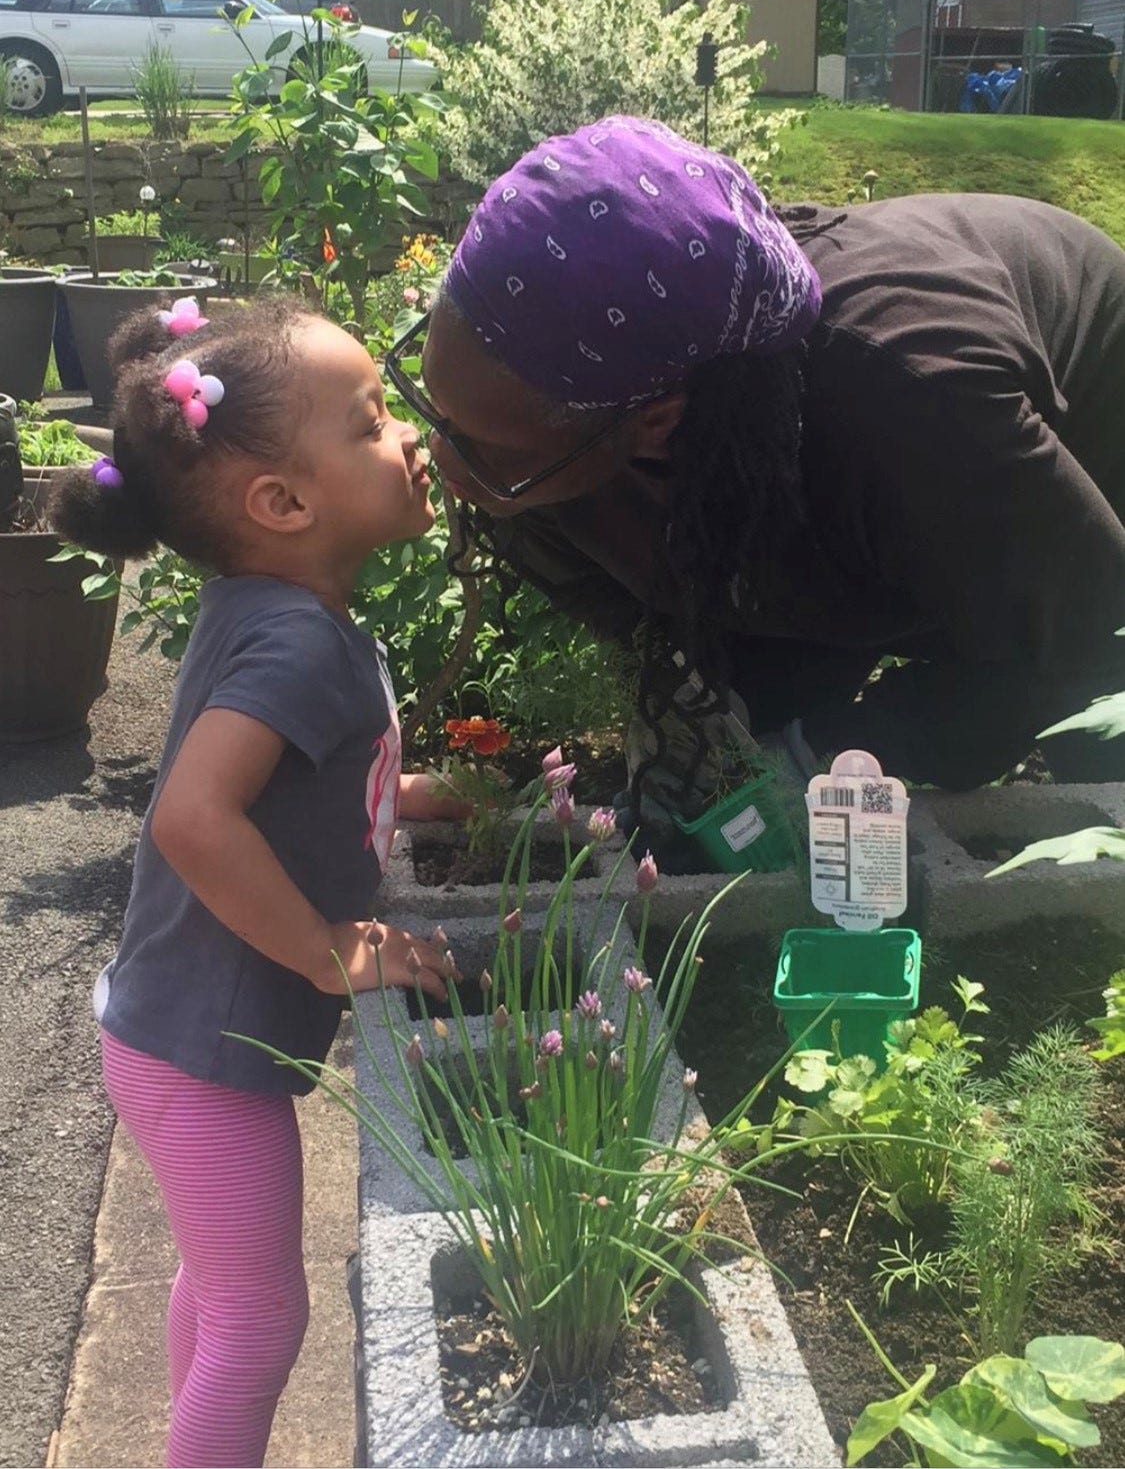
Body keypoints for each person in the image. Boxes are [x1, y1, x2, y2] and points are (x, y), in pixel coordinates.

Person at [381, 113, 1125, 853]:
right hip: (878, 480)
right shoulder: (537, 424)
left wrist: (825, 753)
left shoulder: (912, 395)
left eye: (485, 447)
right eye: (436, 411)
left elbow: (1087, 628)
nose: (443, 460)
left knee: (1093, 745)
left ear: (655, 422)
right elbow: (678, 599)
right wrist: (708, 718)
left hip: (1085, 457)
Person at [52, 295, 457, 1469]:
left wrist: (409, 786)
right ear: (281, 504)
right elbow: (192, 816)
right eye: (373, 422)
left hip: (173, 1029)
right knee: (262, 1316)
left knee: (218, 1288)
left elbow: (298, 766)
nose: (408, 436)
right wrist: (336, 950)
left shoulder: (271, 607)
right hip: (204, 1051)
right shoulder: (298, 638)